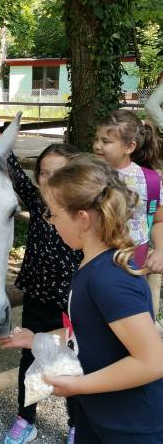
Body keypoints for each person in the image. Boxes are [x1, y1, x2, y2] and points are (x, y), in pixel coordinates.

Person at [0, 155, 163, 444]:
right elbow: (88, 331)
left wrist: (76, 386)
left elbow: (153, 361)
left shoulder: (109, 280)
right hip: (98, 416)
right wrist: (38, 338)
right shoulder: (89, 266)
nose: (49, 221)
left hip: (134, 424)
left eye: (54, 213)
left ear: (83, 219)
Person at [0, 115, 82, 444]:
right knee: (28, 358)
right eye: (43, 173)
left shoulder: (82, 215)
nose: (49, 180)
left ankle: (76, 426)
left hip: (69, 305)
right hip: (36, 299)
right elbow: (10, 166)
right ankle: (25, 418)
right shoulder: (39, 202)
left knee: (72, 362)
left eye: (58, 173)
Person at [93, 108, 163, 313]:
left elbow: (158, 220)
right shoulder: (88, 175)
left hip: (136, 262)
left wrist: (160, 250)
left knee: (131, 313)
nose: (97, 146)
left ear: (129, 146)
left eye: (106, 141)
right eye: (96, 139)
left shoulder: (150, 180)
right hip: (95, 259)